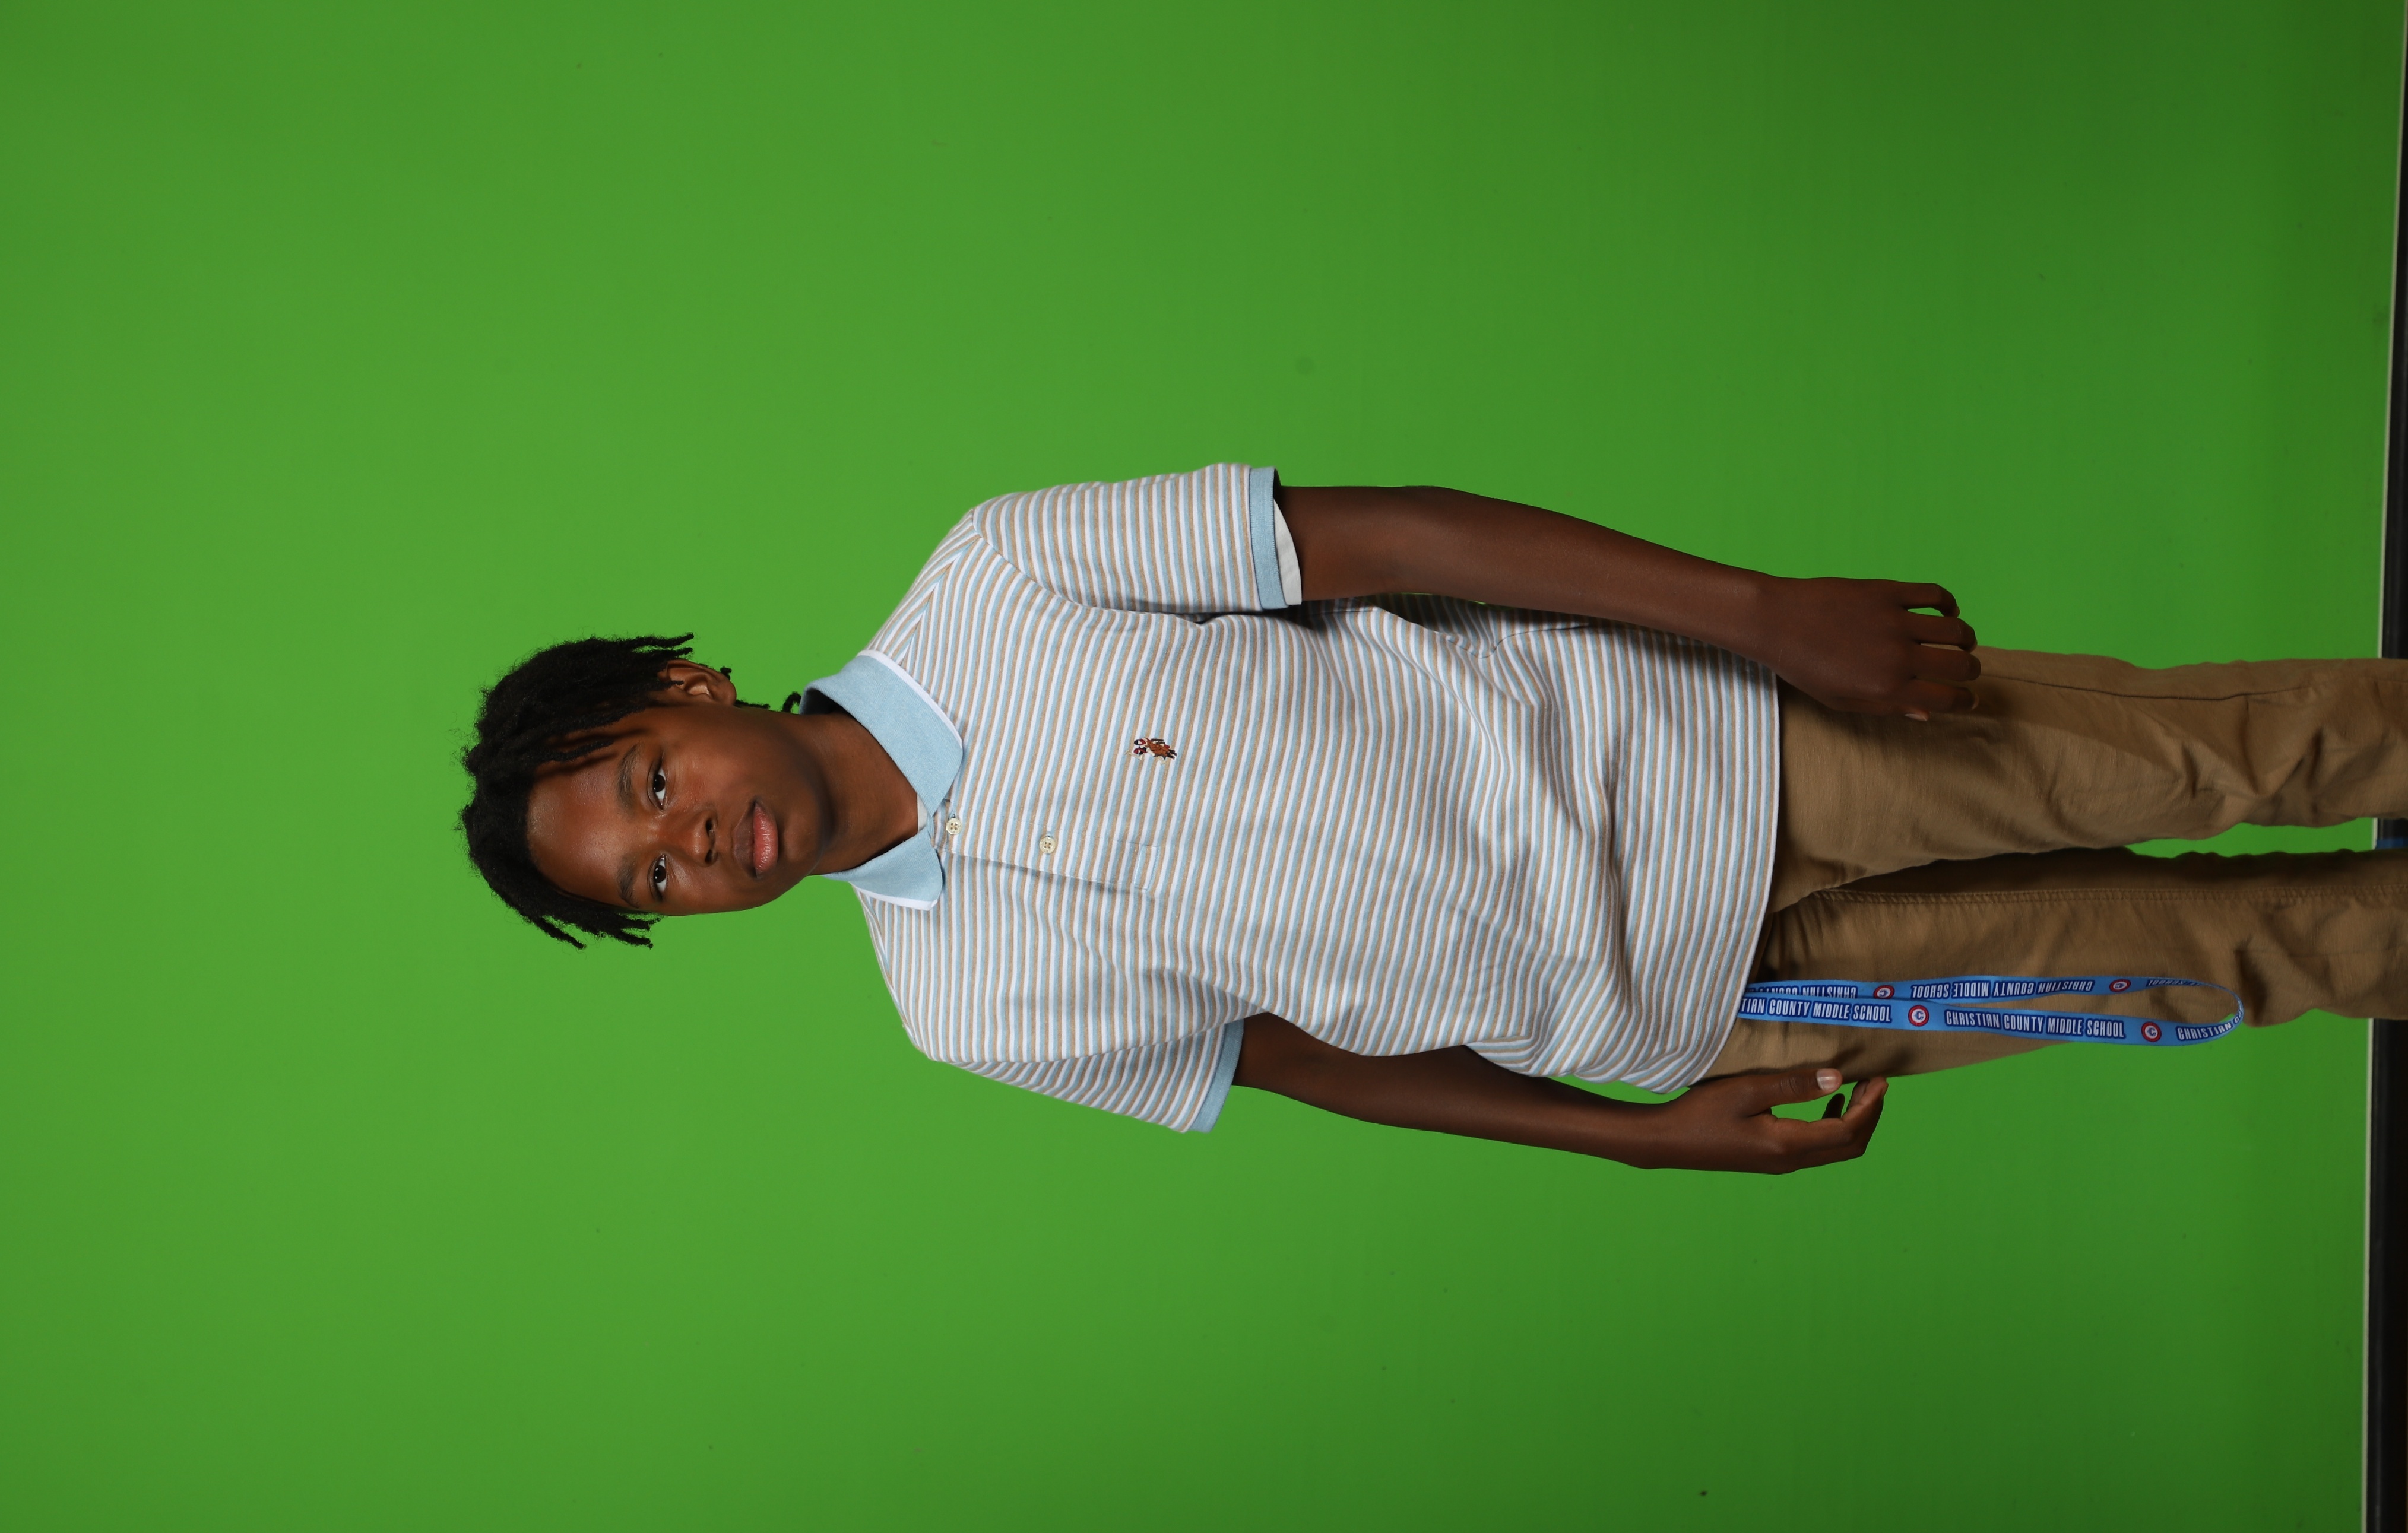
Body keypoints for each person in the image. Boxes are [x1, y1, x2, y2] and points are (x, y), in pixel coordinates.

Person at [458, 465, 2408, 1173]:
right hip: (1714, 1008)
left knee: (2232, 753)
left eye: (653, 785)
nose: (690, 847)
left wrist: (1757, 615)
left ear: (689, 689)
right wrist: (1633, 1135)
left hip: (1731, 747)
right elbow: (1311, 1066)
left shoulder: (995, 576)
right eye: (653, 880)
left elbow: (1397, 535)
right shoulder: (956, 1009)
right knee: (2209, 965)